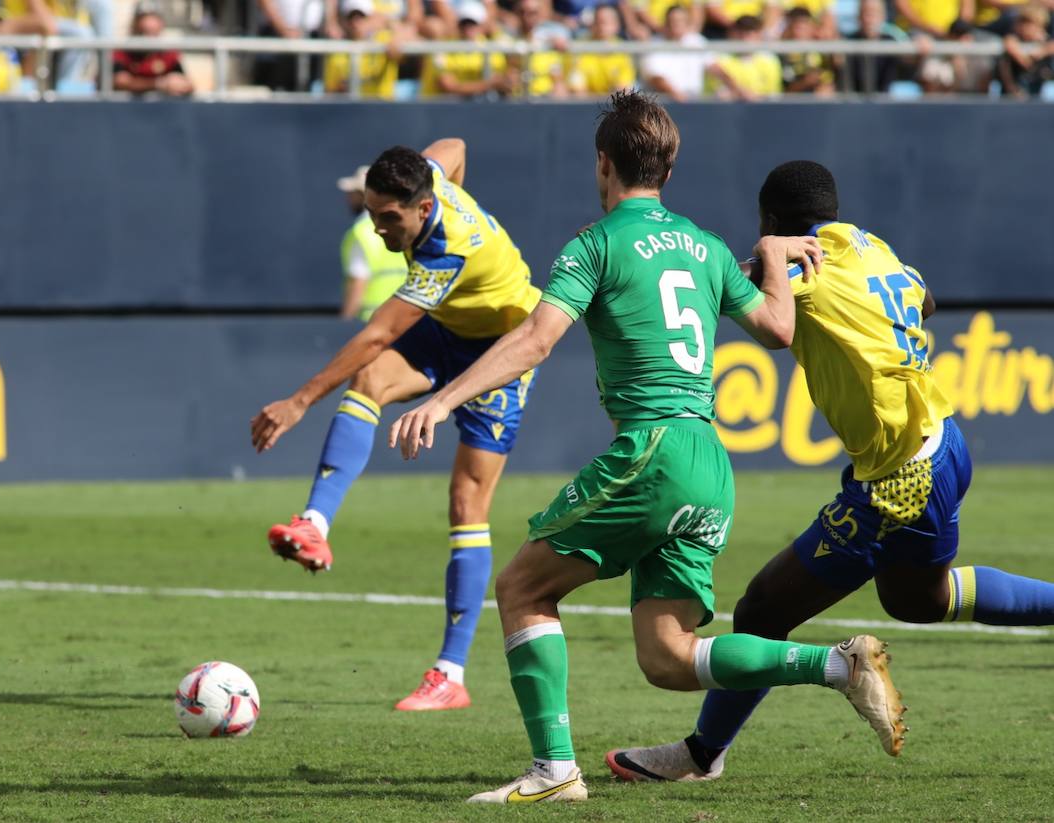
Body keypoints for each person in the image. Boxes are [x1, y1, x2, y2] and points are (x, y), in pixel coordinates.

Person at [388, 92, 906, 804]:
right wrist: (778, 254)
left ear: (603, 162)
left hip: (651, 449)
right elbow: (780, 330)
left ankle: (554, 770)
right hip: (709, 461)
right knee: (667, 658)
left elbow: (537, 340)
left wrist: (444, 398)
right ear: (669, 165)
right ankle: (839, 665)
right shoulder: (705, 247)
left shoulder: (593, 244)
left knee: (520, 588)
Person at [607, 159, 1054, 783]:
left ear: (771, 220)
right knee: (916, 600)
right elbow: (924, 297)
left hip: (900, 478)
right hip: (944, 443)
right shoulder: (869, 245)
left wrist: (763, 255)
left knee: (761, 610)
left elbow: (760, 319)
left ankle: (701, 755)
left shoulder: (799, 267)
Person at [253, 139, 541, 712]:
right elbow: (455, 146)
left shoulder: (445, 253)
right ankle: (314, 523)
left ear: (423, 209)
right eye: (371, 214)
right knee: (370, 385)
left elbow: (377, 334)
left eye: (390, 218)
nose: (381, 230)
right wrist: (445, 177)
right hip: (450, 330)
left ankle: (450, 674)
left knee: (467, 502)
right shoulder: (429, 178)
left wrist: (301, 400)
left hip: (501, 351)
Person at [337, 164, 408, 321]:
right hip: (404, 318)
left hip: (372, 321)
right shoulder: (402, 226)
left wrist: (345, 322)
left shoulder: (361, 232)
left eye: (353, 193)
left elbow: (358, 282)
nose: (349, 197)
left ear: (364, 195)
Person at [112, 7, 194, 96]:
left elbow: (188, 85)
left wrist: (178, 84)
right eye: (144, 32)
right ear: (135, 27)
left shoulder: (168, 54)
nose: (149, 39)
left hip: (161, 108)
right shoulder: (123, 52)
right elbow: (119, 82)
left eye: (153, 33)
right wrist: (158, 84)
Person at [639, 5, 710, 101]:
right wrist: (678, 96)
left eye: (680, 21)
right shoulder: (653, 44)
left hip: (691, 101)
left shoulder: (697, 41)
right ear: (666, 23)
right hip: (663, 104)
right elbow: (654, 77)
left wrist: (735, 89)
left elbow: (715, 66)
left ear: (687, 23)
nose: (676, 24)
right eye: (673, 21)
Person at [566, 4, 636, 97]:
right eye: (598, 21)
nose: (601, 26)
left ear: (617, 25)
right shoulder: (580, 48)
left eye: (606, 22)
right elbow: (578, 90)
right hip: (585, 106)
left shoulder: (622, 51)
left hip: (612, 106)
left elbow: (623, 89)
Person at [705, 14, 781, 99]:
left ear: (759, 36)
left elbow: (772, 95)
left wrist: (752, 96)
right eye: (741, 33)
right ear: (732, 34)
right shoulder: (718, 58)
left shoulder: (769, 60)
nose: (744, 39)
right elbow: (717, 92)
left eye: (749, 34)